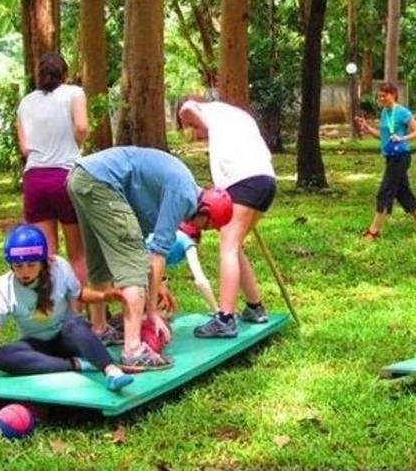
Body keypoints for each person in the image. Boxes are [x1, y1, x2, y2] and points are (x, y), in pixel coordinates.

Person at [67, 146, 233, 368]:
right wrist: (152, 311)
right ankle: (134, 350)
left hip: (83, 177)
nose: (201, 229)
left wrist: (157, 285)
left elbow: (142, 242)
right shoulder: (184, 196)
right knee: (132, 267)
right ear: (205, 210)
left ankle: (99, 329)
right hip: (101, 182)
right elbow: (155, 255)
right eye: (208, 225)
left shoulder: (179, 186)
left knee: (100, 259)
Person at [0, 224, 134, 392]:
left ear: (42, 262)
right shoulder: (2, 289)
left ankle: (112, 372)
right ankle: (78, 364)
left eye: (31, 265)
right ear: (10, 264)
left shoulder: (59, 268)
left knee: (76, 325)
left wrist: (103, 296)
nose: (25, 272)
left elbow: (79, 294)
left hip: (66, 337)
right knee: (0, 357)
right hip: (36, 346)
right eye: (18, 266)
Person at [176, 97, 277, 339]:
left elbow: (186, 109)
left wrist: (192, 119)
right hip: (266, 180)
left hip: (243, 180)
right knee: (235, 245)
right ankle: (255, 307)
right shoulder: (235, 115)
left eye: (192, 129)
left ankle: (225, 318)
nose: (195, 132)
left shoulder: (208, 111)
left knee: (228, 247)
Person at [16, 52, 88, 286]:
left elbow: (25, 148)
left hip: (35, 179)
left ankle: (53, 311)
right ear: (64, 75)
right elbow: (82, 127)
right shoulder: (74, 93)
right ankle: (76, 311)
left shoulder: (26, 102)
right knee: (78, 254)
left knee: (48, 255)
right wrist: (75, 144)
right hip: (66, 177)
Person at [354, 82, 416, 239]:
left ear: (393, 94)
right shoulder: (384, 112)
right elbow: (383, 136)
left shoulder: (402, 112)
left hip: (401, 157)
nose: (382, 98)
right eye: (380, 96)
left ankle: (373, 232)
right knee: (403, 193)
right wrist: (368, 129)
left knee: (385, 191)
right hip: (390, 157)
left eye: (385, 95)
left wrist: (402, 137)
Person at [147, 222, 218, 312]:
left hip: (137, 261)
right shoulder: (187, 242)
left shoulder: (169, 236)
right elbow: (200, 281)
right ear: (195, 238)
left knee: (169, 304)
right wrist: (216, 309)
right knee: (163, 308)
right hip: (139, 266)